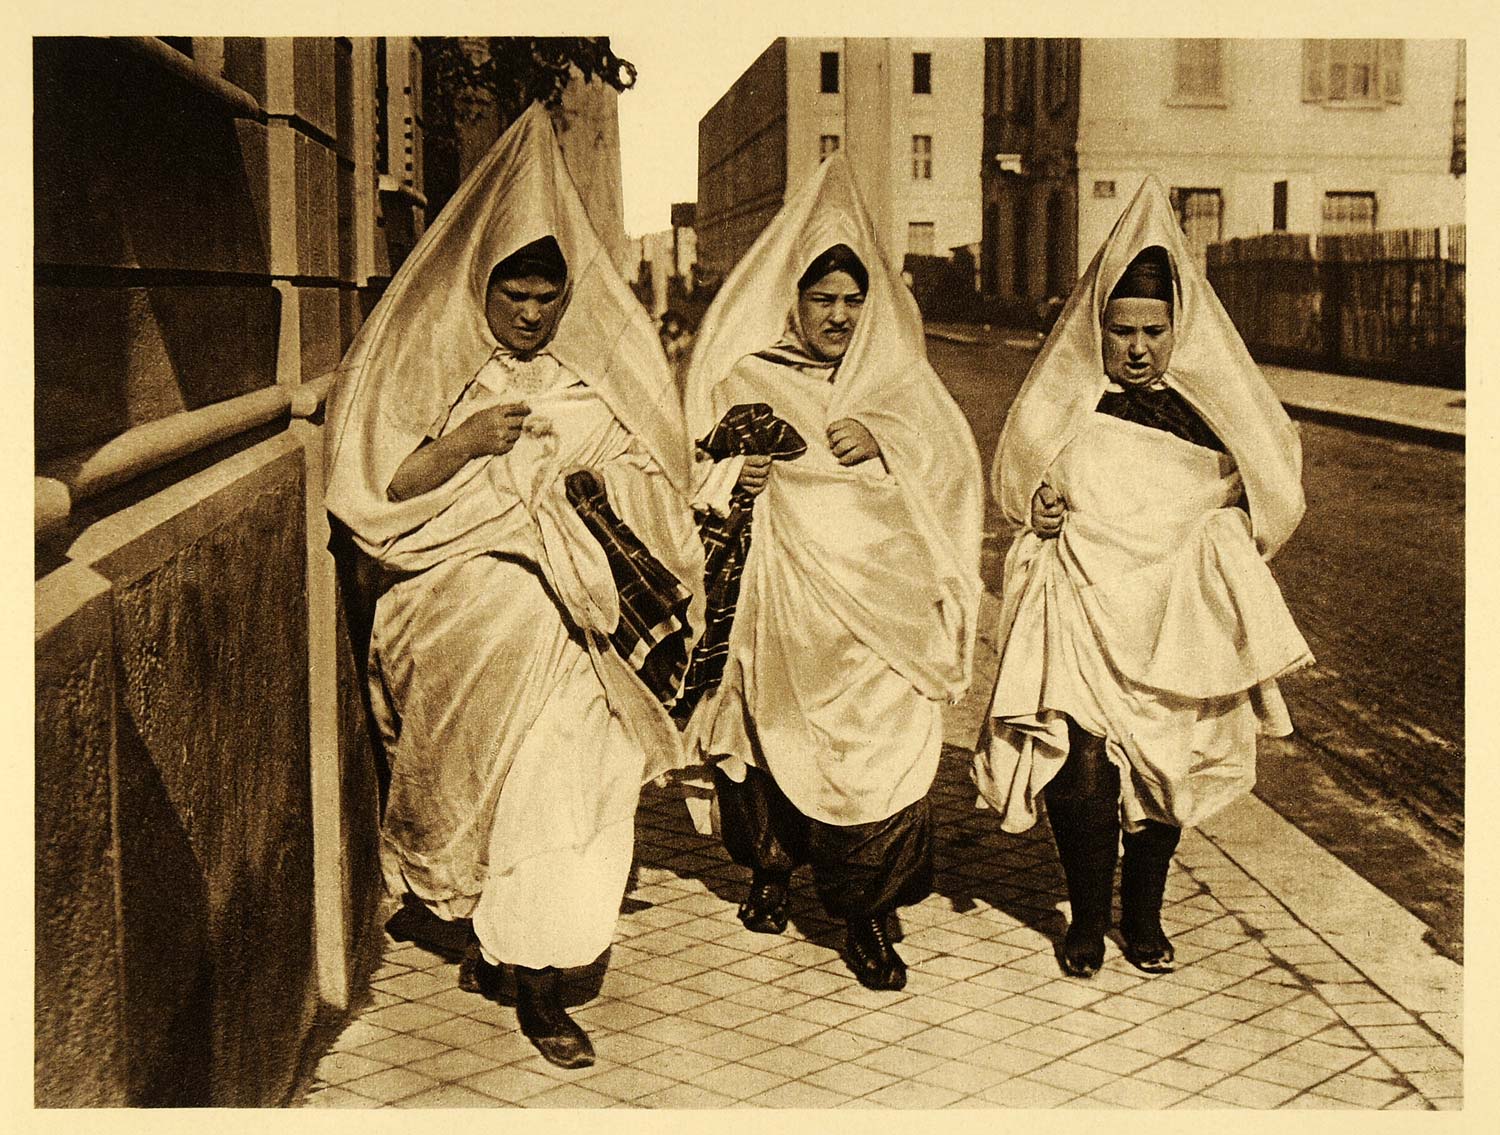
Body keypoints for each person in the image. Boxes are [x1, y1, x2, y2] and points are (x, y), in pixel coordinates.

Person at [322, 104, 703, 1068]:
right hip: (460, 617)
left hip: (579, 637)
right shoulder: (439, 369)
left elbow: (658, 489)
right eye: (514, 295)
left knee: (570, 793)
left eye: (547, 297)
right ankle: (504, 937)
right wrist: (467, 445)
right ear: (481, 288)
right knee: (493, 798)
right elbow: (380, 489)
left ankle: (546, 985)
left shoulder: (593, 382)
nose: (532, 315)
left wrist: (583, 495)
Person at [975, 175, 1312, 978]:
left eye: (1152, 330)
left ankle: (1145, 912)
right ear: (1098, 327)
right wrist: (1041, 506)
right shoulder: (1067, 401)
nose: (1135, 348)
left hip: (1176, 612)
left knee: (1168, 763)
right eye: (1120, 329)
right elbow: (1020, 476)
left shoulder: (1213, 410)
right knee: (1080, 766)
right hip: (1084, 605)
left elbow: (1274, 489)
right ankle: (1088, 916)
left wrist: (1227, 529)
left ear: (1177, 326)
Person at [681, 154, 983, 991]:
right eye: (823, 299)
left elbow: (956, 471)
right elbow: (694, 468)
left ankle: (867, 915)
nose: (840, 315)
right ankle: (774, 865)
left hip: (886, 611)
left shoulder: (900, 383)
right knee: (774, 735)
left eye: (854, 300)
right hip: (787, 601)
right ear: (795, 299)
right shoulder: (753, 376)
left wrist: (889, 439)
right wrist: (730, 479)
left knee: (885, 749)